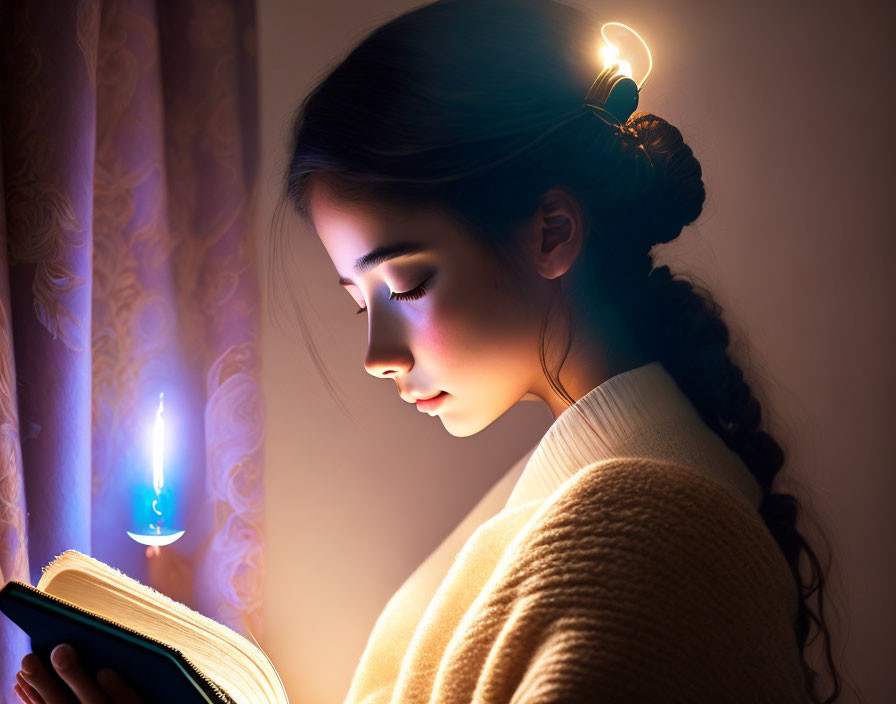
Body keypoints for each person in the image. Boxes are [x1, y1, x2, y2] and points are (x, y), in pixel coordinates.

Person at [14, 0, 842, 702]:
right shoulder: (592, 492)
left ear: (552, 231)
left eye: (405, 287)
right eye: (357, 300)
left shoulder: (647, 531)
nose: (376, 353)